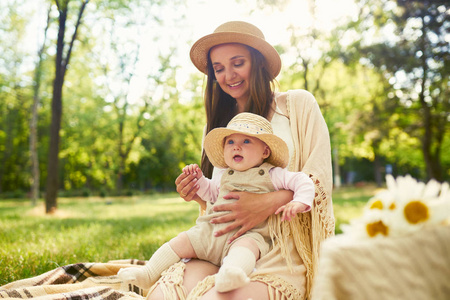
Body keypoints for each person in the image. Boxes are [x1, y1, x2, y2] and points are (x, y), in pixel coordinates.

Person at [146, 21, 335, 300]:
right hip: (218, 243)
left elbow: (320, 179)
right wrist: (197, 191)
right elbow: (220, 194)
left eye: (238, 63)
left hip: (279, 249)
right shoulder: (218, 127)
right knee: (162, 295)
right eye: (219, 68)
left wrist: (267, 203)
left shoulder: (296, 106)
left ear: (258, 64)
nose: (228, 75)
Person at [118, 112, 315, 293]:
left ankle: (230, 275)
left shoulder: (272, 174)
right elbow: (211, 193)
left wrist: (299, 202)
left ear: (265, 152)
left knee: (247, 249)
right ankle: (148, 273)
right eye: (230, 142)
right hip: (210, 232)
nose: (237, 146)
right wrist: (199, 181)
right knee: (181, 241)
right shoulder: (226, 175)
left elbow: (302, 180)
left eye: (246, 141)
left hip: (245, 233)